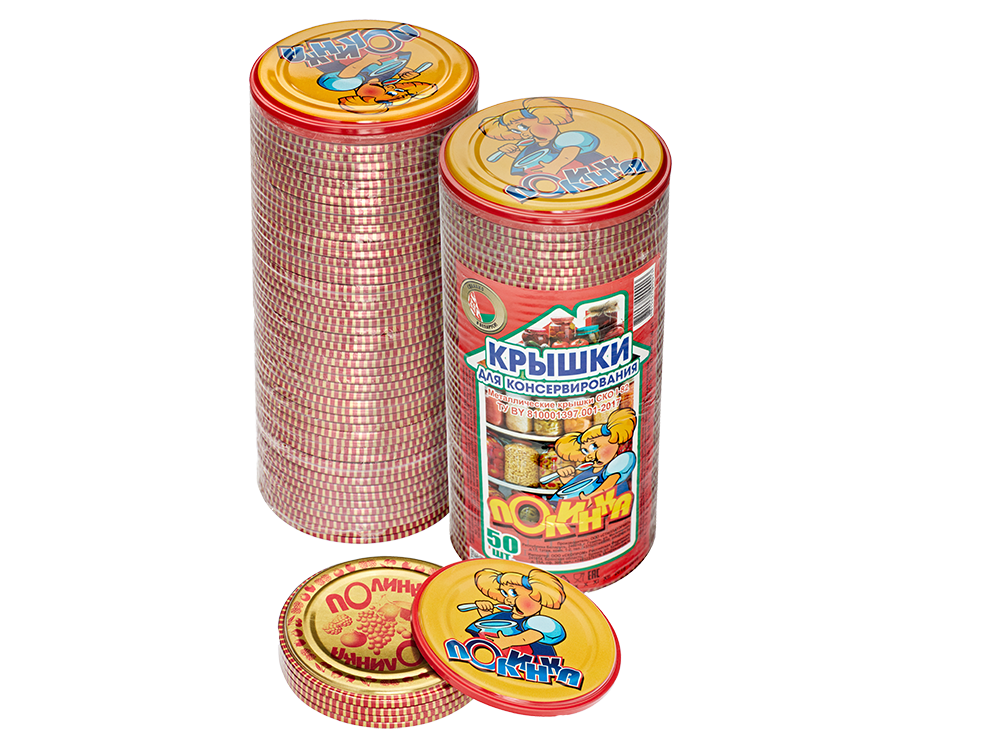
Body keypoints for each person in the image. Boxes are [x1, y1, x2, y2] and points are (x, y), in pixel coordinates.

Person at [478, 97, 605, 179]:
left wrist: (555, 165)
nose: (524, 135)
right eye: (516, 131)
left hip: (593, 173)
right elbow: (533, 160)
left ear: (547, 119)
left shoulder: (565, 138)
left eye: (524, 127)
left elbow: (570, 150)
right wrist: (515, 154)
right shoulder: (532, 147)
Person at [465, 567, 567, 656]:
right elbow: (493, 626)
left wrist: (508, 641)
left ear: (538, 595)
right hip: (505, 661)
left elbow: (533, 634)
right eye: (504, 594)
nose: (507, 600)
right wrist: (485, 612)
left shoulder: (540, 621)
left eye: (514, 593)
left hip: (537, 663)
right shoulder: (504, 615)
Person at [553, 407, 637, 501]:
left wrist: (592, 497)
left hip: (611, 505)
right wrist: (568, 479)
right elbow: (579, 488)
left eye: (594, 447)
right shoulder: (589, 470)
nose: (589, 455)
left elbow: (610, 482)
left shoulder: (622, 460)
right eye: (585, 451)